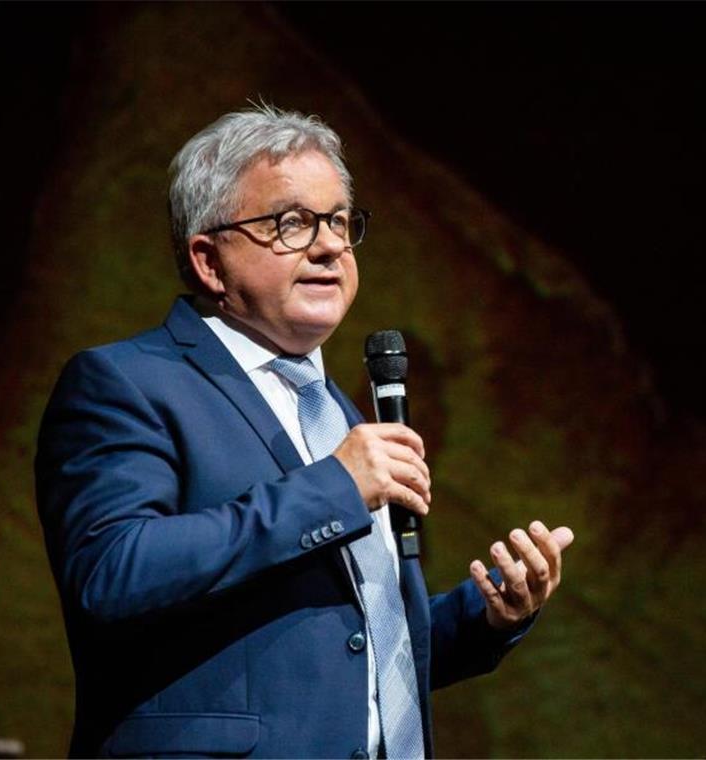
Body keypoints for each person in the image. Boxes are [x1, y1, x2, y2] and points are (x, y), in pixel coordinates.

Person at [35, 104, 575, 759]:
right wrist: (333, 487)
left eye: (341, 221)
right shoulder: (126, 382)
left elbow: (349, 660)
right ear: (209, 260)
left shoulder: (337, 415)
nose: (329, 245)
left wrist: (489, 615)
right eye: (291, 223)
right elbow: (112, 573)